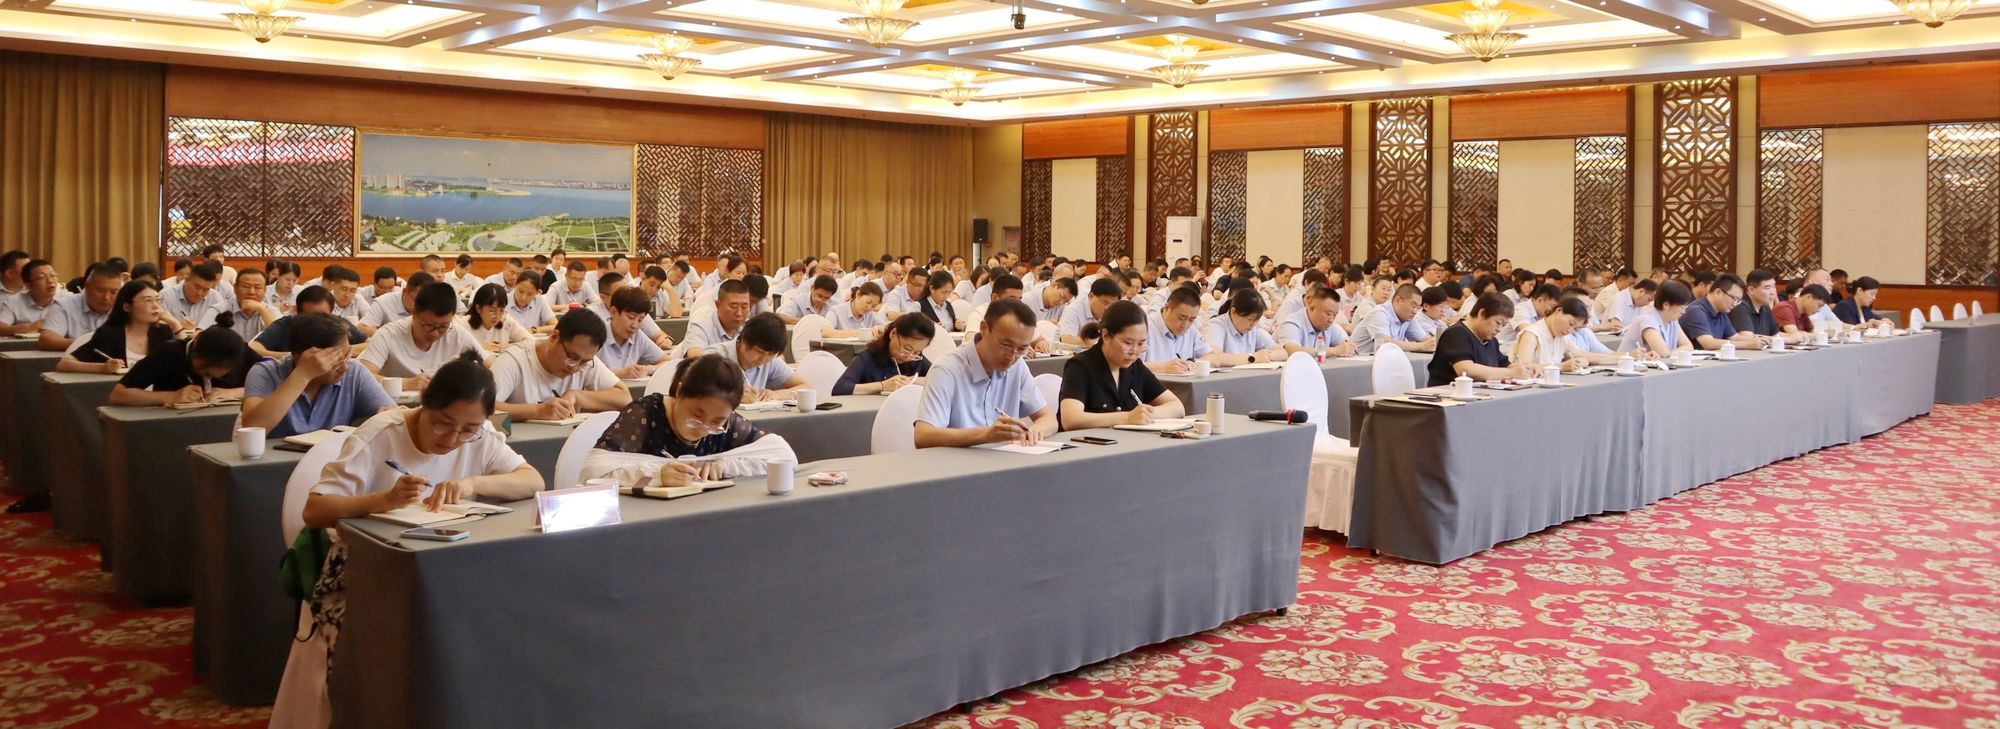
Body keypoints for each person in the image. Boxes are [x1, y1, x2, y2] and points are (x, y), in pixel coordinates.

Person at [271, 351, 544, 728]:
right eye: (442, 424)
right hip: (367, 570)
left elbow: (532, 479)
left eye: (468, 430)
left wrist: (472, 483)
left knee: (506, 616)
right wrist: (382, 500)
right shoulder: (382, 433)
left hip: (444, 566)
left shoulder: (479, 437)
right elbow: (314, 511)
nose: (453, 439)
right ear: (425, 404)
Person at [580, 355, 799, 490]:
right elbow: (591, 473)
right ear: (680, 392)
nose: (704, 428)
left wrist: (726, 465)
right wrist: (657, 474)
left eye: (717, 421)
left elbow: (785, 457)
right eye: (697, 414)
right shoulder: (645, 414)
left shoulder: (728, 425)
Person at [913, 299, 1058, 448]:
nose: (1012, 356)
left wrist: (1033, 432)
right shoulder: (947, 369)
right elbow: (923, 436)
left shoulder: (1017, 366)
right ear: (984, 328)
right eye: (1006, 345)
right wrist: (986, 435)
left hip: (1006, 458)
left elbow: (1049, 419)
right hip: (958, 460)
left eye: (1022, 349)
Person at [243, 312, 394, 438]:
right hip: (276, 464)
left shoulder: (355, 373)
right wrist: (302, 375)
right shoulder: (265, 373)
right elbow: (254, 427)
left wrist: (390, 415)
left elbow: (394, 416)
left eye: (347, 356)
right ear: (299, 358)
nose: (345, 367)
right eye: (336, 361)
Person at [1058, 301, 1187, 431]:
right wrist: (1127, 417)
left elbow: (1177, 407)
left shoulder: (1135, 366)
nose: (1134, 351)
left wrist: (1145, 414)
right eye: (1128, 343)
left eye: (1141, 344)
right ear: (1106, 335)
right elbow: (1070, 419)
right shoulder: (1080, 366)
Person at [489, 308, 631, 421]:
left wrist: (577, 396)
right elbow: (485, 408)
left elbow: (625, 398)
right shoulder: (515, 360)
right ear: (555, 337)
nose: (575, 368)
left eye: (584, 362)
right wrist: (537, 411)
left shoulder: (585, 360)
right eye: (571, 357)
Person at [109, 313, 264, 406]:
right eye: (205, 372)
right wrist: (172, 397)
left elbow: (274, 384)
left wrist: (235, 393)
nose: (208, 379)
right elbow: (118, 395)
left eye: (221, 376)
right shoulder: (169, 353)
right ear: (193, 353)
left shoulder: (240, 351)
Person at [358, 283, 483, 391]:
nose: (435, 333)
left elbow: (488, 366)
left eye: (443, 327)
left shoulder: (457, 334)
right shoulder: (388, 335)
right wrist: (406, 383)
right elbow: (362, 377)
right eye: (429, 326)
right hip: (394, 406)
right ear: (414, 313)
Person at [58, 280, 175, 374]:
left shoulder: (163, 332)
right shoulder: (109, 335)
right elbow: (64, 364)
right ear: (127, 307)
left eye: (158, 300)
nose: (155, 306)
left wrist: (176, 325)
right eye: (148, 300)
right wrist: (102, 368)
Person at [1428, 293, 1531, 386]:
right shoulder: (1456, 333)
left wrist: (1527, 368)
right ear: (1482, 313)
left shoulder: (1491, 340)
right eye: (1498, 323)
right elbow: (1466, 370)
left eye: (1503, 325)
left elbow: (1506, 365)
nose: (1499, 329)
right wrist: (1511, 373)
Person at [252, 286, 368, 360]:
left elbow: (368, 344)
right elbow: (254, 349)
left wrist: (338, 351)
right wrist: (291, 357)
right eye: (310, 316)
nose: (316, 322)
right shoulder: (285, 325)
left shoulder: (338, 324)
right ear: (297, 312)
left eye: (323, 315)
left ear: (331, 312)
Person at [833, 312, 933, 396]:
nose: (909, 357)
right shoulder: (869, 357)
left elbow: (939, 378)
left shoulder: (917, 359)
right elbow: (840, 389)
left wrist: (912, 381)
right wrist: (882, 386)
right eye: (906, 349)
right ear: (893, 334)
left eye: (917, 352)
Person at [715, 313, 806, 402]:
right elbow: (705, 394)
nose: (763, 360)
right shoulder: (716, 357)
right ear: (744, 341)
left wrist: (776, 394)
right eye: (760, 352)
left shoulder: (771, 361)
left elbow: (805, 387)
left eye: (771, 354)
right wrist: (734, 396)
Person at [1511, 296, 1609, 373]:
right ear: (1558, 311)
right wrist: (1560, 366)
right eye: (1571, 323)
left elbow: (1581, 357)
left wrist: (1579, 362)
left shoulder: (1562, 337)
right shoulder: (1531, 333)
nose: (1570, 330)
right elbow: (1523, 367)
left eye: (1575, 328)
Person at [1139, 286, 1221, 375]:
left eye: (1191, 320)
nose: (1185, 325)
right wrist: (1163, 367)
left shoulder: (1191, 330)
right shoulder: (1143, 327)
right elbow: (1130, 366)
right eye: (1181, 318)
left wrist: (1193, 363)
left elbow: (1211, 356)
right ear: (1167, 308)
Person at [1201, 289, 1290, 365]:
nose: (1253, 324)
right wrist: (1253, 358)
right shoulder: (1216, 325)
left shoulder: (1254, 329)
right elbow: (1213, 358)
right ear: (1233, 312)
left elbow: (1283, 353)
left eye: (1257, 319)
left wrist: (1267, 355)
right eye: (1250, 319)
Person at [595, 287, 668, 380]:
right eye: (631, 317)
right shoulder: (595, 335)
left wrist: (649, 369)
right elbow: (583, 373)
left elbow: (668, 362)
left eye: (640, 320)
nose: (635, 325)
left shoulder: (637, 336)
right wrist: (620, 374)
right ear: (613, 312)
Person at [1350, 283, 1438, 355]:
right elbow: (1384, 343)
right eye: (1413, 305)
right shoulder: (1379, 312)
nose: (1415, 311)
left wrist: (1432, 343)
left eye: (1418, 307)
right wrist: (1422, 346)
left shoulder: (1409, 317)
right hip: (1357, 360)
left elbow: (1425, 339)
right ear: (1398, 300)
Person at [1681, 273, 1761, 350]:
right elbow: (1708, 343)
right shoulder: (1696, 310)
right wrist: (1746, 344)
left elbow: (1734, 337)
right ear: (1718, 292)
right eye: (1735, 299)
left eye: (1738, 301)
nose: (1735, 304)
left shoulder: (1721, 311)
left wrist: (1760, 340)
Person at [680, 279, 757, 358]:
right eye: (733, 306)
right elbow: (695, 357)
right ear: (718, 305)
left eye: (744, 307)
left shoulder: (749, 330)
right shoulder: (701, 325)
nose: (739, 313)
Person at [1621, 280, 1695, 358]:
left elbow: (1689, 346)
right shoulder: (1647, 319)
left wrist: (1671, 353)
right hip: (1626, 364)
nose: (1684, 311)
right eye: (1682, 307)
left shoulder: (1672, 319)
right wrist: (1674, 353)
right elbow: (1662, 353)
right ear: (1666, 305)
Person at [1278, 286, 1356, 358]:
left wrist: (1348, 348)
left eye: (1334, 315)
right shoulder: (1291, 323)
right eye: (1328, 314)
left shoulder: (1330, 326)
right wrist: (1334, 351)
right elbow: (1292, 351)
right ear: (1311, 308)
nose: (1331, 320)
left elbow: (1347, 346)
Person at [461, 283, 532, 353]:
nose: (497, 316)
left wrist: (504, 347)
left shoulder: (505, 320)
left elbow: (531, 342)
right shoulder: (462, 325)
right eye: (491, 311)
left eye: (501, 310)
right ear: (478, 308)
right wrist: (481, 349)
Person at [359, 272, 436, 336]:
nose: (420, 307)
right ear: (405, 291)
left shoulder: (435, 304)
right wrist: (390, 337)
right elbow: (362, 328)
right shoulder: (384, 302)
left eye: (425, 303)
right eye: (415, 301)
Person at [1, 258, 59, 336]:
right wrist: (29, 327)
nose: (50, 281)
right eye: (42, 277)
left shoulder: (66, 300)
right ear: (28, 285)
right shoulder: (13, 302)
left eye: (53, 275)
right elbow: (1, 328)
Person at [1059, 277, 1124, 346]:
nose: (1107, 308)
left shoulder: (1111, 313)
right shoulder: (1073, 309)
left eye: (1112, 305)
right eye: (1105, 303)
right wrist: (1098, 344)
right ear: (1091, 296)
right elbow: (1066, 339)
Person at [1729, 268, 1786, 341]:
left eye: (1774, 287)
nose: (1772, 292)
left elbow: (1775, 334)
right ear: (1751, 290)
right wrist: (1788, 339)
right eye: (1767, 288)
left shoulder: (1765, 306)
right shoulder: (1740, 306)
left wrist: (1794, 336)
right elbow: (1747, 338)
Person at [822, 281, 887, 340]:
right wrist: (856, 334)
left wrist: (880, 328)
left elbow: (890, 328)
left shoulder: (870, 315)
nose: (869, 308)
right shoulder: (836, 311)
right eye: (868, 302)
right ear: (858, 294)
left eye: (873, 306)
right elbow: (825, 332)